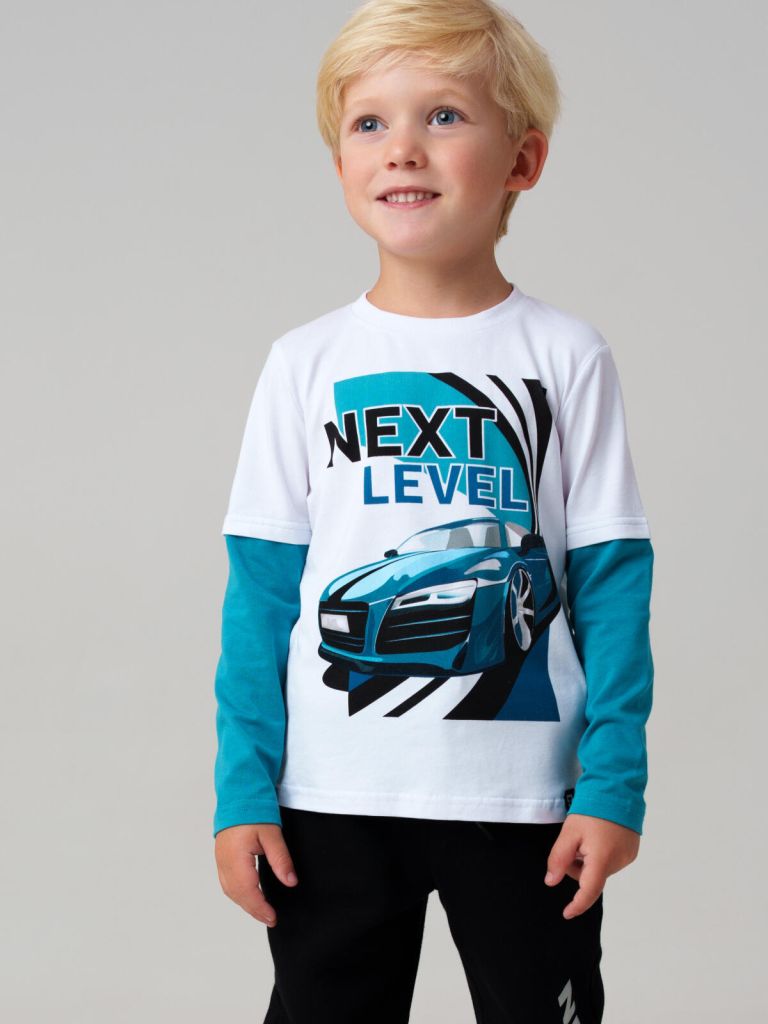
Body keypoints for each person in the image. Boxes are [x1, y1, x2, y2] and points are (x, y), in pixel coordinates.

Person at [212, 1, 655, 1021]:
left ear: (522, 161)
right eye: (369, 122)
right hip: (330, 794)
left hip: (527, 800)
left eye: (444, 115)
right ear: (340, 165)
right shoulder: (305, 363)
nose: (402, 147)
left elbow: (611, 584)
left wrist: (612, 782)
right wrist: (243, 789)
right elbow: (262, 597)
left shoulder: (566, 356)